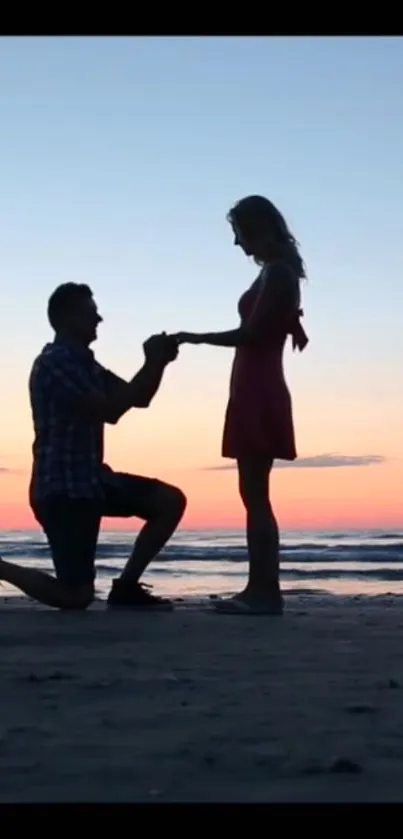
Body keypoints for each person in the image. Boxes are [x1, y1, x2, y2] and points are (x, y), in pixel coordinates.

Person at [0, 282, 186, 611]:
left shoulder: (86, 363)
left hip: (93, 480)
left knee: (169, 501)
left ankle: (126, 587)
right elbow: (110, 410)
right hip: (63, 489)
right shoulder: (55, 363)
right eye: (90, 312)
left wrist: (158, 363)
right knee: (76, 596)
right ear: (64, 317)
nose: (99, 319)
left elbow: (137, 397)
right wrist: (152, 361)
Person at [174, 195, 308, 615]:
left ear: (257, 229)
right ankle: (260, 587)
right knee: (252, 493)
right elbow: (276, 319)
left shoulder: (279, 274)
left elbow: (249, 334)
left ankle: (264, 590)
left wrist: (192, 337)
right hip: (251, 384)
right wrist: (295, 325)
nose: (236, 244)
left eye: (238, 233)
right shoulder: (274, 274)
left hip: (259, 387)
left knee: (255, 494)